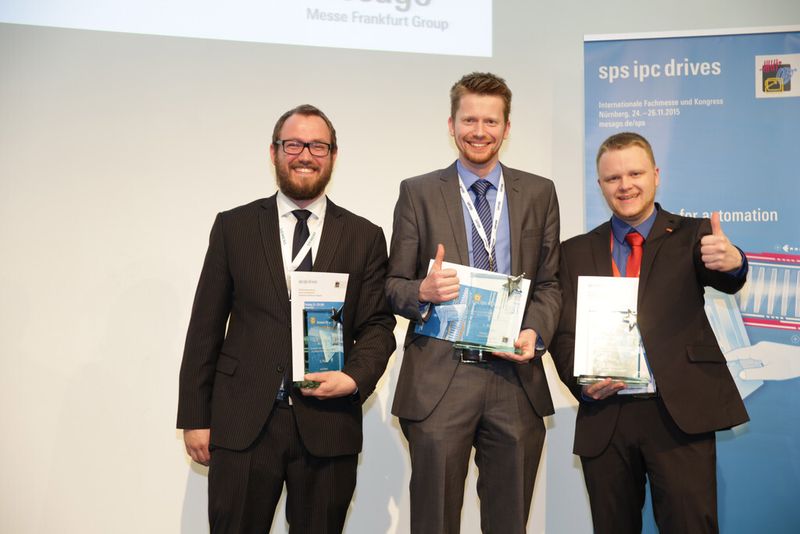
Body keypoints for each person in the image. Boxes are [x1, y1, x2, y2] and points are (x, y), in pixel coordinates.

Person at [176, 104, 396, 533]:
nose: (305, 155)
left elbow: (377, 327)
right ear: (274, 152)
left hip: (328, 425)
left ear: (333, 155)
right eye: (293, 144)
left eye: (317, 145)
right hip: (243, 424)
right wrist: (195, 416)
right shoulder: (233, 227)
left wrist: (352, 378)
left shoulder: (364, 236)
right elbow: (205, 326)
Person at [386, 72, 561, 534]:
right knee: (435, 519)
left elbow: (550, 283)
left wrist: (535, 334)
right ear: (451, 124)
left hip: (513, 377)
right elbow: (392, 284)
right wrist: (421, 292)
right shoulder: (418, 192)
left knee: (509, 522)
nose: (479, 131)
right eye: (469, 120)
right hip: (441, 379)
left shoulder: (539, 193)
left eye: (490, 120)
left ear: (506, 127)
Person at [551, 131, 749, 534]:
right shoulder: (573, 252)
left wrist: (734, 261)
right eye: (613, 178)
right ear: (600, 184)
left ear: (656, 175)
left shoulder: (694, 235)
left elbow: (729, 278)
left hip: (678, 416)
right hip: (607, 414)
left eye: (635, 173)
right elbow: (563, 333)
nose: (626, 185)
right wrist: (581, 382)